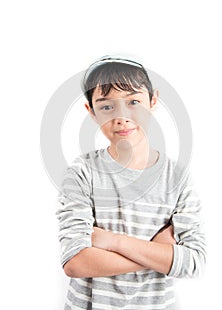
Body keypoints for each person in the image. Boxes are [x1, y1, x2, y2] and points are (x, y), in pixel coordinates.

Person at [57, 56, 206, 309]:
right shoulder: (82, 173)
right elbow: (75, 261)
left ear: (153, 101)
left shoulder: (177, 178)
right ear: (91, 112)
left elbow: (194, 262)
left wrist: (115, 242)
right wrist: (158, 253)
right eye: (107, 107)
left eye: (133, 102)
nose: (121, 117)